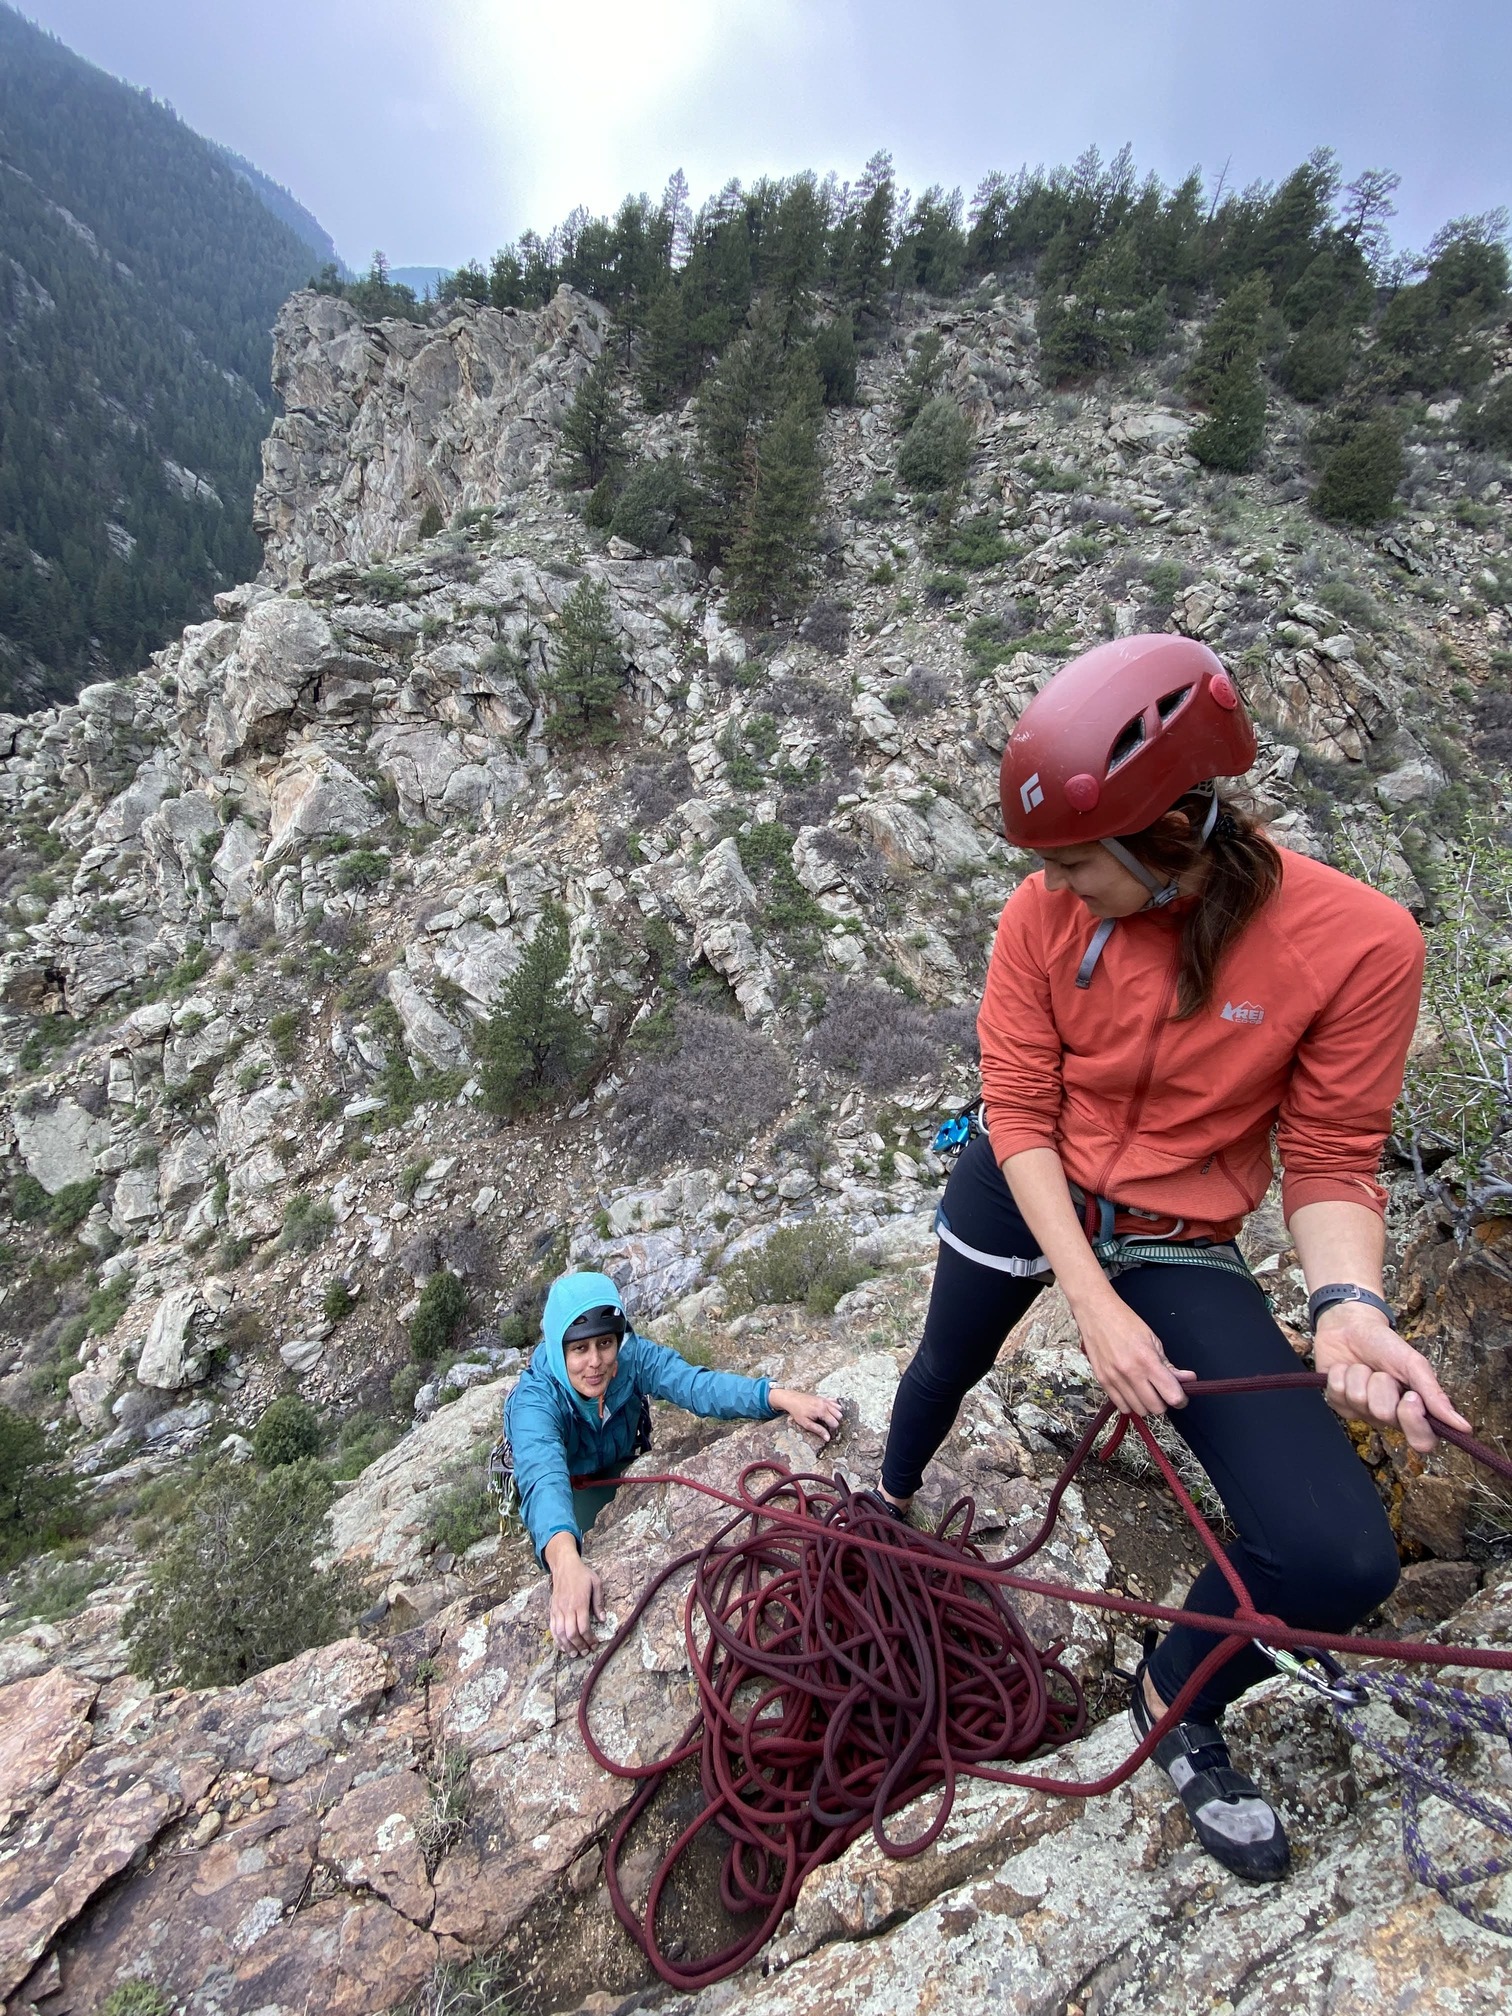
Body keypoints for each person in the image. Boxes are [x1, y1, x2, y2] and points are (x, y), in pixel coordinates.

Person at [875, 633, 1468, 1883]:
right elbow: (1018, 1109)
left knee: (1337, 1559)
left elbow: (1330, 1157)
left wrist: (1349, 1303)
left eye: (1077, 863)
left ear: (1174, 832)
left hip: (1177, 1236)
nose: (1053, 889)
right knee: (942, 1364)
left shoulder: (1360, 948)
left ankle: (1174, 1692)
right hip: (1030, 1181)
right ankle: (890, 1498)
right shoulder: (1043, 914)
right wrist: (1086, 1302)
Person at [507, 1269, 844, 1654]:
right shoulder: (536, 1400)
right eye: (579, 1349)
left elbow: (696, 1386)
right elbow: (543, 1474)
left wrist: (777, 1396)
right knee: (569, 1555)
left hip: (618, 1466)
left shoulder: (632, 1359)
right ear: (557, 1348)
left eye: (605, 1343)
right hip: (572, 1483)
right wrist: (564, 1561)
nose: (596, 1362)